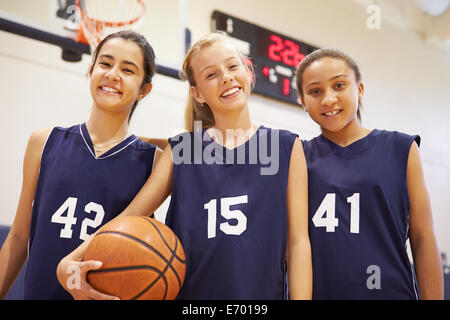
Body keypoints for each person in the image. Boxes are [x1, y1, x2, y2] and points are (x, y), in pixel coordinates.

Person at [57, 31, 312, 300]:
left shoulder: (285, 146)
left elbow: (298, 244)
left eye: (232, 66)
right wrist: (68, 262)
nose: (225, 77)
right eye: (211, 75)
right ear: (198, 93)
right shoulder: (183, 150)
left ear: (248, 74)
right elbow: (130, 216)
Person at [0, 30, 162, 300]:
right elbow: (18, 237)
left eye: (128, 70)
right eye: (106, 63)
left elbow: (197, 145)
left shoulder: (154, 161)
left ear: (144, 89)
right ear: (91, 70)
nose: (112, 74)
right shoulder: (44, 142)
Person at [296, 48, 444, 299]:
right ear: (302, 101)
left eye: (339, 85)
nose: (328, 99)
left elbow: (423, 238)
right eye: (315, 91)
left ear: (359, 89)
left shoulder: (401, 148)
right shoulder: (297, 155)